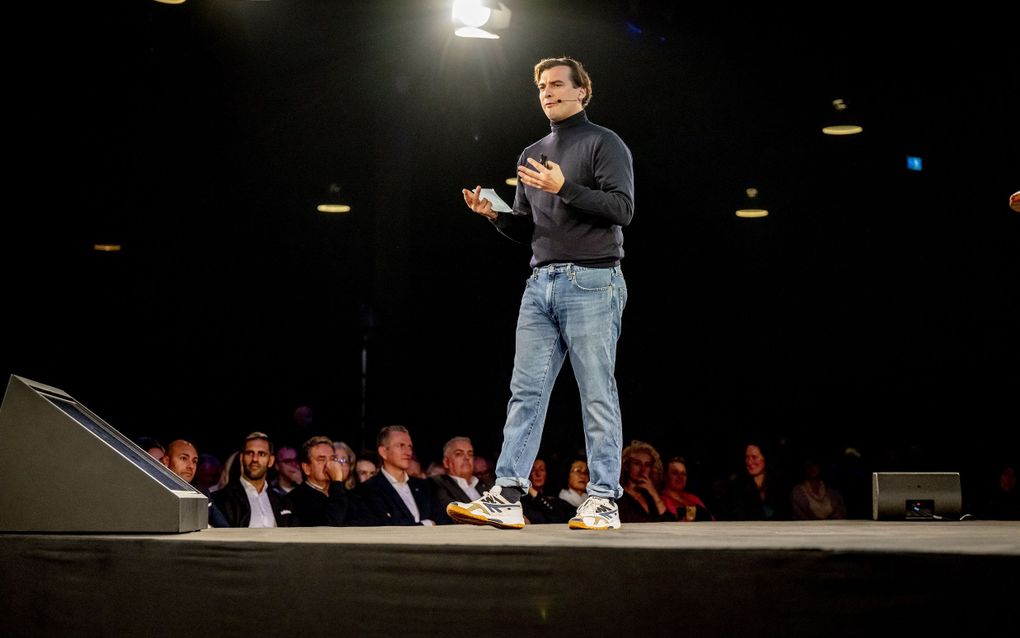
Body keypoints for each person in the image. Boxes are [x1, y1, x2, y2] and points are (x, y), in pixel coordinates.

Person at [451, 56, 634, 531]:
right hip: (541, 283)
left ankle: (603, 500)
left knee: (596, 392)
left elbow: (621, 208)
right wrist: (494, 215)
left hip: (592, 280)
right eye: (541, 87)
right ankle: (508, 495)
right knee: (525, 392)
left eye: (556, 85)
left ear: (581, 92)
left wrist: (565, 186)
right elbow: (529, 229)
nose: (547, 93)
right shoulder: (531, 152)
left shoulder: (604, 142)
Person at [211, 432, 296, 528]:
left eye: (261, 454)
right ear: (241, 458)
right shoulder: (221, 499)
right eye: (249, 453)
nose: (255, 459)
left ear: (271, 461)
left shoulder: (285, 502)